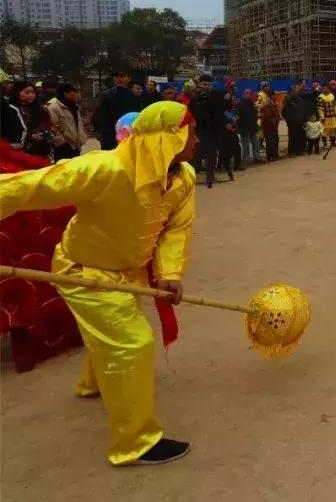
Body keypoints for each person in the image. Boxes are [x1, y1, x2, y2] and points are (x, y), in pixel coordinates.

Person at [0, 100, 197, 466]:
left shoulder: (182, 177)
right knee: (131, 343)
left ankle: (92, 383)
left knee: (109, 333)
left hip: (129, 271)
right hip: (83, 271)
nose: (196, 141)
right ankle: (135, 443)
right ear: (166, 140)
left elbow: (176, 229)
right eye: (191, 133)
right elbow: (29, 186)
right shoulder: (105, 168)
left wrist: (169, 274)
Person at [189, 75, 228, 188]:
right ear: (200, 84)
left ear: (212, 85)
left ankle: (210, 176)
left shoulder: (218, 95)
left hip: (215, 129)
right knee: (197, 155)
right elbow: (193, 112)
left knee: (212, 154)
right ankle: (191, 176)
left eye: (208, 84)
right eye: (204, 84)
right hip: (201, 129)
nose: (206, 86)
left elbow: (225, 107)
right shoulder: (195, 97)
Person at [2, 80, 52, 156]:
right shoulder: (10, 109)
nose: (31, 95)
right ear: (17, 93)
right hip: (20, 152)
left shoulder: (41, 109)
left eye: (33, 92)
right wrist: (29, 136)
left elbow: (49, 124)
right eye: (27, 92)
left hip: (43, 149)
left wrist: (45, 134)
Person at [93, 72, 139, 151]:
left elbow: (136, 115)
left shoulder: (133, 96)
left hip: (127, 136)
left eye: (121, 76)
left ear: (128, 79)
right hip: (109, 137)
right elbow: (97, 115)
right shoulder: (106, 95)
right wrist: (99, 134)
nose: (118, 79)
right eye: (116, 76)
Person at [47, 83, 87, 160]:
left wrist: (82, 139)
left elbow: (78, 124)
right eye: (74, 92)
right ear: (66, 94)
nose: (77, 94)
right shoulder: (53, 107)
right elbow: (52, 127)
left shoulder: (74, 106)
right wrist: (62, 143)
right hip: (63, 147)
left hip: (76, 146)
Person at [282, 81, 307, 157]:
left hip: (300, 121)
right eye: (296, 88)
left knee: (300, 136)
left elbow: (302, 110)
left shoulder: (300, 98)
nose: (298, 89)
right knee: (293, 136)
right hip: (292, 121)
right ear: (293, 89)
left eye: (298, 88)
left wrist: (304, 120)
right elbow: (284, 111)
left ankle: (299, 151)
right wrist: (288, 120)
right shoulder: (288, 98)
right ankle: (292, 152)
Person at [236, 89, 261, 165]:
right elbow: (238, 117)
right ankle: (245, 159)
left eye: (249, 93)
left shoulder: (252, 103)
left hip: (253, 126)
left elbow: (255, 114)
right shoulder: (239, 104)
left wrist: (256, 116)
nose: (248, 95)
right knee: (245, 144)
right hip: (244, 127)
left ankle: (257, 158)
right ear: (243, 94)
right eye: (246, 93)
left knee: (256, 143)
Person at [258, 82, 281, 161]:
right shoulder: (262, 98)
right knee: (270, 140)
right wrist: (274, 121)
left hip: (273, 124)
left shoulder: (272, 102)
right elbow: (265, 114)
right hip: (268, 124)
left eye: (268, 86)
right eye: (266, 86)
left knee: (275, 139)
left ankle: (274, 154)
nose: (267, 87)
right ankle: (270, 156)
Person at [317, 80, 336, 148]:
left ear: (329, 89)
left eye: (326, 88)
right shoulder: (320, 97)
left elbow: (334, 106)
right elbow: (319, 108)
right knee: (324, 130)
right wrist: (322, 117)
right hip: (325, 117)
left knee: (333, 129)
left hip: (332, 116)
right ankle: (325, 144)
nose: (325, 89)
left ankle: (333, 143)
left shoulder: (332, 96)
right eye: (324, 88)